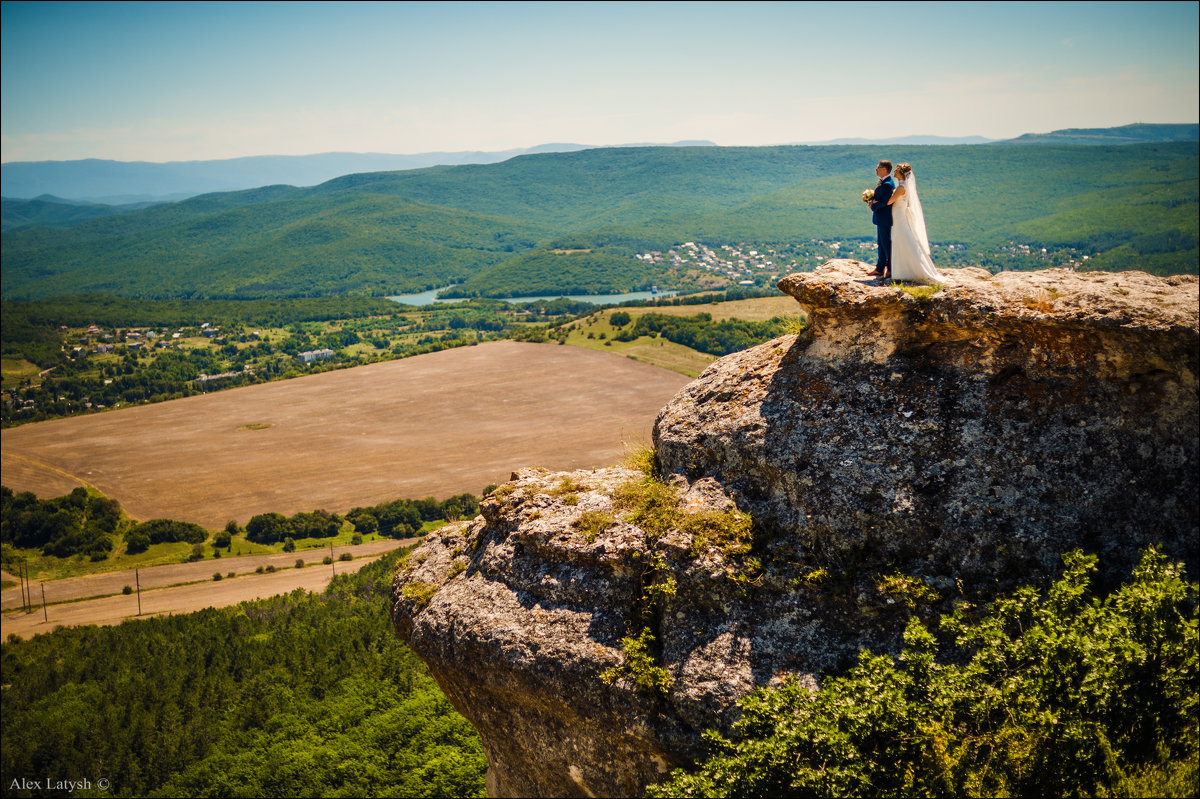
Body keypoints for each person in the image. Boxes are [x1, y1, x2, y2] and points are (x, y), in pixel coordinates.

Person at [886, 162, 943, 285]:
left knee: (903, 240)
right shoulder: (902, 185)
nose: (894, 172)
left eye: (896, 170)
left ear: (901, 173)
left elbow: (890, 201)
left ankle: (906, 270)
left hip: (900, 216)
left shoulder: (901, 187)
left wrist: (875, 198)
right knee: (902, 239)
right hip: (899, 215)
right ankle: (902, 270)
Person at [866, 160, 895, 279]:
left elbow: (885, 202)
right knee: (881, 243)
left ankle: (890, 269)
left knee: (886, 244)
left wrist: (873, 205)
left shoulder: (888, 184)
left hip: (885, 218)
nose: (876, 169)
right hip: (881, 218)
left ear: (884, 169)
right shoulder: (884, 182)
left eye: (878, 167)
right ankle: (879, 268)